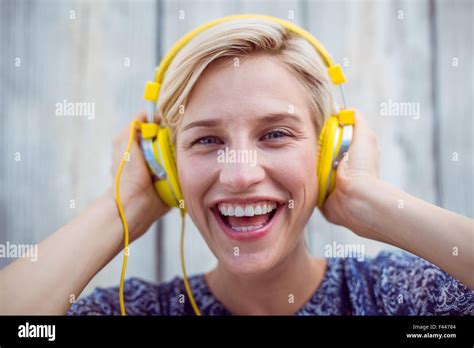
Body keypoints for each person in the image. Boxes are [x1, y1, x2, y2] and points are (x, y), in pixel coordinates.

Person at [1, 18, 472, 316]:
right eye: (206, 140)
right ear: (166, 164)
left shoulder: (405, 297)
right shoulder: (132, 312)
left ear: (328, 152)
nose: (240, 175)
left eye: (275, 134)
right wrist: (123, 207)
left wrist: (366, 197)